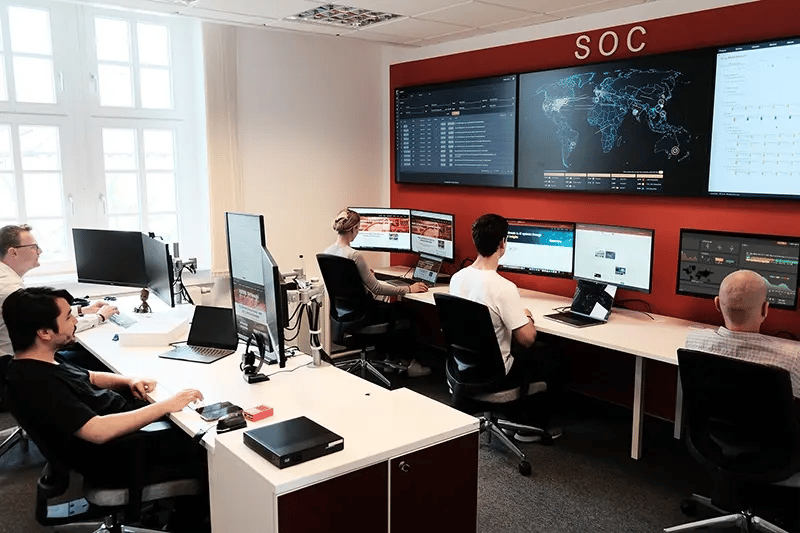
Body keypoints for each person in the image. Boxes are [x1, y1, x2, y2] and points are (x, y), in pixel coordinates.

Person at [2, 287, 207, 505]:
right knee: (206, 445)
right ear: (44, 332)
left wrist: (128, 380)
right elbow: (97, 431)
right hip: (119, 456)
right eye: (68, 316)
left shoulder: (39, 360)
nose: (75, 322)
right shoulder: (39, 383)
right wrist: (167, 405)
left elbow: (87, 377)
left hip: (118, 437)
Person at [449, 213, 568, 441]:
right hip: (496, 374)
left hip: (464, 368)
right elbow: (526, 339)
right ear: (503, 244)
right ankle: (528, 426)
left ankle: (515, 418)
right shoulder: (503, 287)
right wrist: (526, 317)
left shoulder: (458, 278)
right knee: (553, 357)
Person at [323, 208, 431, 377]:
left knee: (388, 310)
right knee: (404, 310)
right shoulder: (354, 255)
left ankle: (387, 361)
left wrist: (362, 278)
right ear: (353, 229)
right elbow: (377, 288)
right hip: (363, 313)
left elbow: (344, 284)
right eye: (358, 229)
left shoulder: (327, 253)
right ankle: (408, 365)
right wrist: (409, 288)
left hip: (344, 312)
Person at [0, 224, 118, 358]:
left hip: (18, 357)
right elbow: (53, 330)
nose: (40, 251)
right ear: (13, 252)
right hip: (11, 364)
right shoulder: (9, 289)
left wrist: (82, 310)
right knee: (94, 357)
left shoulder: (7, 279)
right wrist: (99, 317)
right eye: (34, 247)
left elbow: (38, 315)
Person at [685, 269, 800, 399]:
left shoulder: (693, 341)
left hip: (709, 418)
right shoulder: (791, 359)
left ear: (717, 304)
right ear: (765, 309)